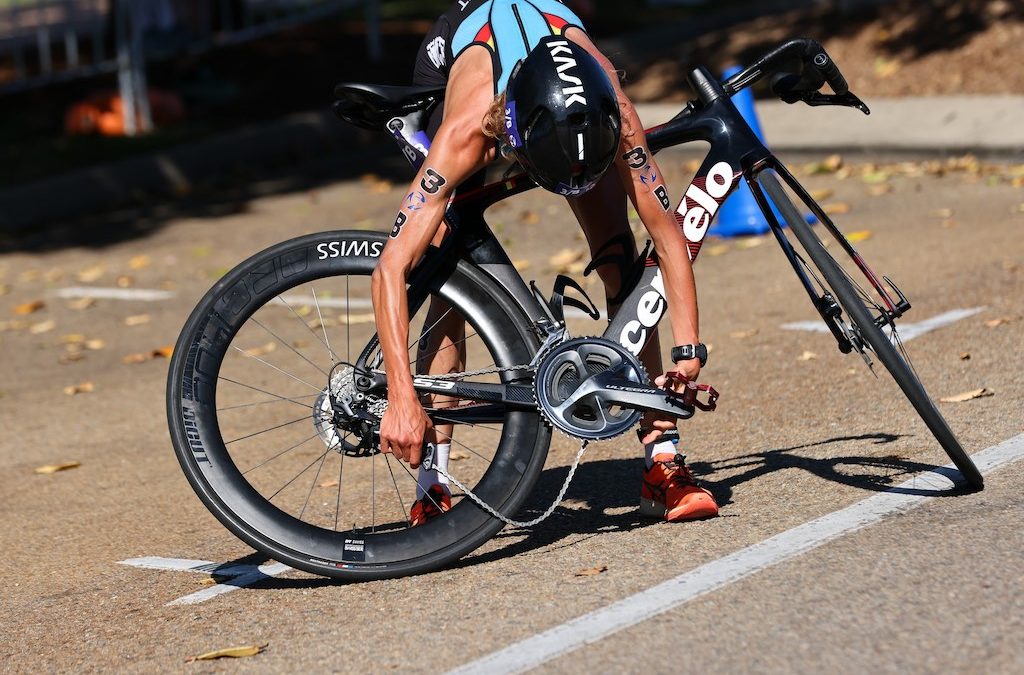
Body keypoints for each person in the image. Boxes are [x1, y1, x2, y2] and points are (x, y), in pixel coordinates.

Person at [370, 0, 718, 527]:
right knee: (448, 269)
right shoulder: (468, 129)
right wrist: (399, 392)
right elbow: (390, 268)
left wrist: (689, 350)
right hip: (465, 60)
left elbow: (666, 235)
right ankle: (432, 482)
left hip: (562, 83)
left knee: (619, 257)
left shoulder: (616, 114)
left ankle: (662, 461)